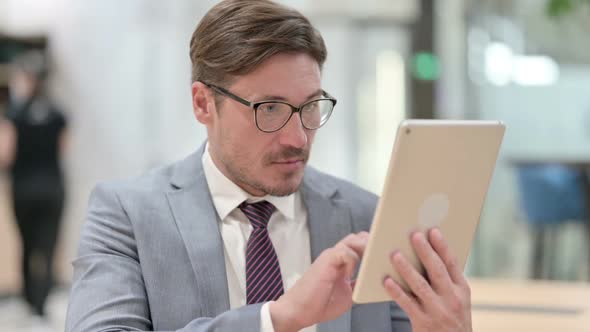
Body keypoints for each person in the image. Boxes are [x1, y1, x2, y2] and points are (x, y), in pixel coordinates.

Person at [65, 1, 472, 331]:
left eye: (310, 107)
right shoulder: (126, 215)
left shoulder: (366, 216)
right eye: (270, 109)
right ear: (203, 103)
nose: (298, 137)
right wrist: (276, 319)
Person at [0, 50, 68, 321]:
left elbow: (6, 154)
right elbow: (63, 149)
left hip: (24, 188)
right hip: (52, 187)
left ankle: (30, 302)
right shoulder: (58, 112)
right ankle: (43, 304)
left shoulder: (14, 113)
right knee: (49, 245)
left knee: (27, 245)